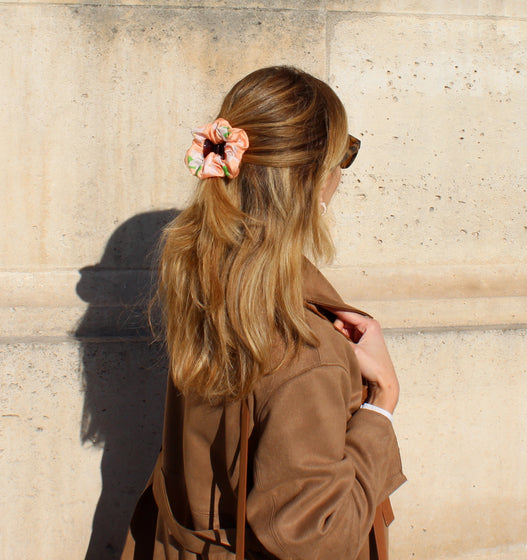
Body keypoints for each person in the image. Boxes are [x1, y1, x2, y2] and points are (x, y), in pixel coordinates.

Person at [121, 66, 406, 560]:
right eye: (343, 154)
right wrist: (382, 402)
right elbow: (319, 538)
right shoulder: (306, 353)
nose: (342, 172)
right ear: (314, 179)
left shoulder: (206, 279)